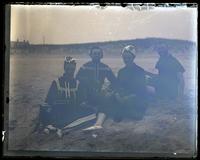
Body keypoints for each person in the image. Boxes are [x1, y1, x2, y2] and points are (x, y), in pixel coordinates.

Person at [38, 57, 96, 137]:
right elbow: (49, 101)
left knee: (93, 114)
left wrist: (85, 104)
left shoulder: (77, 83)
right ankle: (61, 127)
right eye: (68, 68)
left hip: (72, 113)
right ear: (64, 68)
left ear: (75, 68)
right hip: (58, 113)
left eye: (72, 68)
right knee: (44, 109)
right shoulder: (57, 82)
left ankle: (59, 128)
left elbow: (81, 101)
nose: (70, 71)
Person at [76, 46, 118, 130]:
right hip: (86, 95)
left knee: (107, 101)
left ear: (101, 55)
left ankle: (98, 122)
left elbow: (114, 81)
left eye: (98, 54)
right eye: (94, 54)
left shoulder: (104, 67)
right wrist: (90, 81)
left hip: (98, 94)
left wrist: (108, 89)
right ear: (91, 55)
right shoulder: (85, 66)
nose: (96, 55)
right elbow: (77, 78)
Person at [114, 45, 149, 121]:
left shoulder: (140, 71)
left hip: (135, 97)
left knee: (136, 113)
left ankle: (128, 111)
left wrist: (129, 97)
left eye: (129, 58)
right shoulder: (121, 71)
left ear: (133, 58)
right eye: (125, 58)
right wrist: (117, 95)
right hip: (123, 96)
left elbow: (141, 89)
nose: (126, 60)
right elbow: (117, 86)